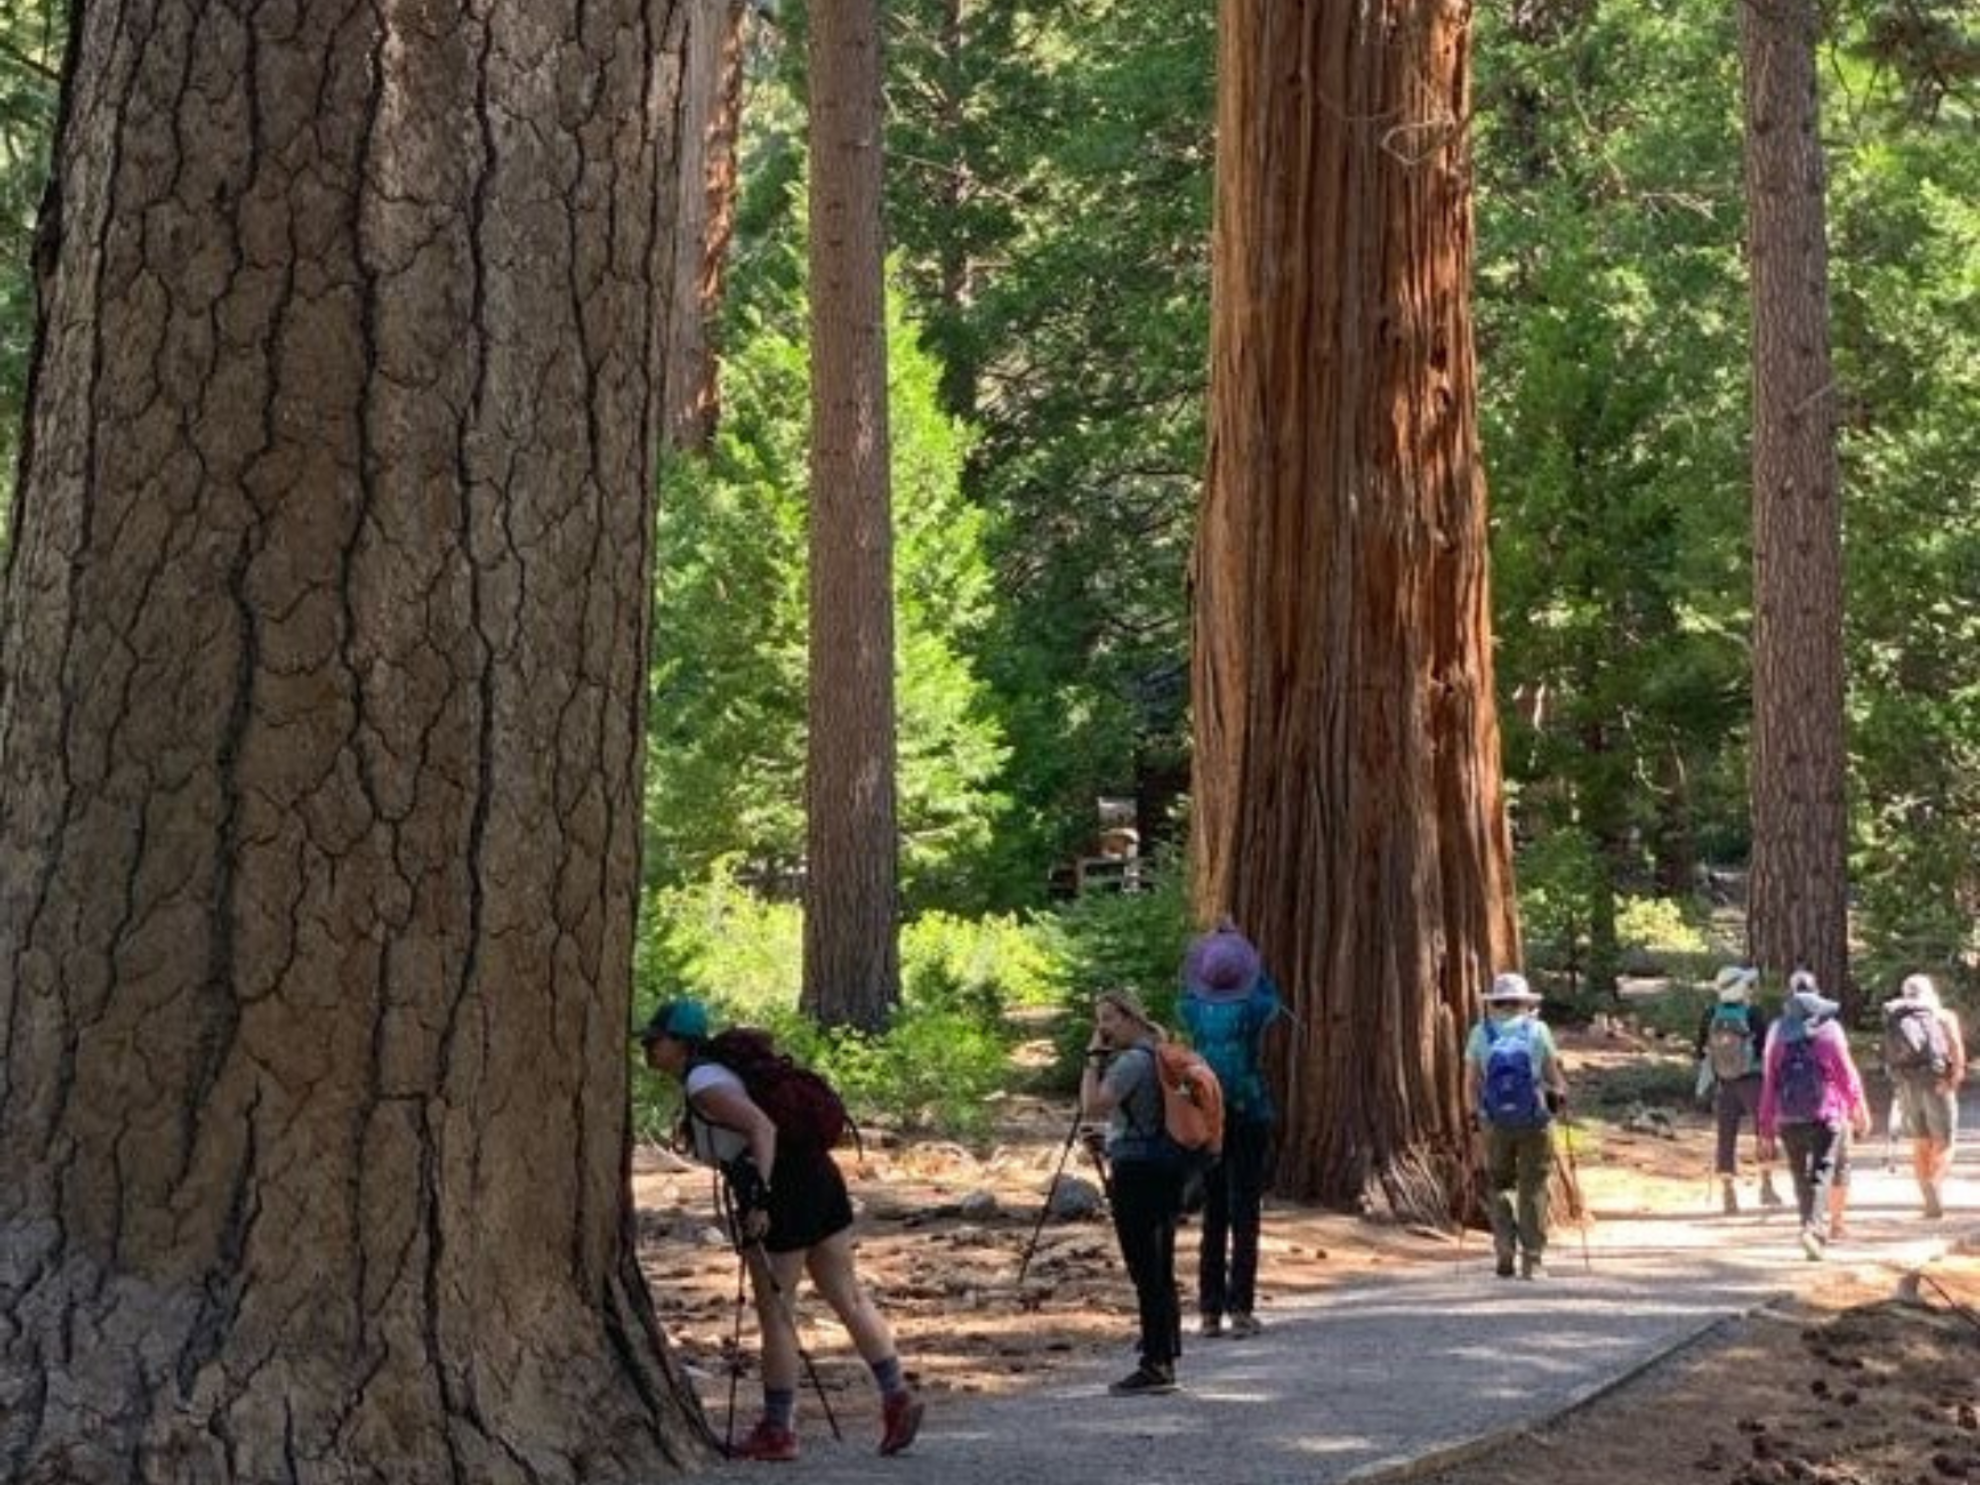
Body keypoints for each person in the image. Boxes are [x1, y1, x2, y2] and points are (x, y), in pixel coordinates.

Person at [637, 999, 923, 1461]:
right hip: (820, 1176)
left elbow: (761, 1128)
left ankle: (777, 1430)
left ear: (680, 1042)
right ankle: (896, 1397)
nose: (648, 1049)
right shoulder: (718, 1074)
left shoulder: (703, 1082)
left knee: (777, 1311)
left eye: (655, 1041)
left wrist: (761, 1199)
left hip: (784, 1188)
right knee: (848, 1296)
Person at [1179, 921, 1284, 1340]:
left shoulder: (1192, 1011)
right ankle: (1241, 1309)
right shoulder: (1254, 1008)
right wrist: (1246, 949)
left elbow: (1185, 994)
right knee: (1246, 1213)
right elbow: (1269, 996)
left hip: (1209, 1116)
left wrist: (1210, 946)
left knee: (1214, 1213)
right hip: (1251, 1111)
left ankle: (1208, 1313)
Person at [1082, 988, 1186, 1395]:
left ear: (1128, 1017)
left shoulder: (1132, 1063)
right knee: (1161, 1265)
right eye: (1100, 1020)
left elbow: (1093, 1105)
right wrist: (1110, 1140)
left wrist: (1092, 1061)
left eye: (1108, 1018)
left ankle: (1155, 1364)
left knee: (1145, 1269)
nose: (1103, 1028)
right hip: (1166, 1166)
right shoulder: (1160, 1051)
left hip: (1137, 1172)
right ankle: (1165, 1349)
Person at [1757, 973, 1870, 1261]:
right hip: (1826, 1114)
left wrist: (1766, 1127)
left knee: (1798, 1174)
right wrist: (1858, 1107)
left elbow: (1770, 1081)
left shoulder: (1777, 1032)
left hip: (1789, 1116)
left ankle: (1806, 1226)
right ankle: (1814, 1230)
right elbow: (1846, 1074)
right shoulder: (1830, 1030)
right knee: (1822, 1172)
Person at [1463, 972, 1569, 1280]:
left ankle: (1504, 1245)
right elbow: (1554, 1077)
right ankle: (1532, 1260)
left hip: (1494, 1120)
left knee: (1499, 1183)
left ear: (1495, 1002)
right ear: (1524, 1002)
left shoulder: (1479, 1033)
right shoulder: (1538, 1030)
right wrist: (1561, 1096)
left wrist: (1473, 1114)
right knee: (1533, 1185)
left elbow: (1470, 1081)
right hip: (1534, 1119)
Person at [1692, 965, 1784, 1214]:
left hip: (1724, 1082)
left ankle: (1728, 1193)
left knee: (1726, 1135)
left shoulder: (1710, 1013)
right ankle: (1766, 1185)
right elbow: (1767, 1047)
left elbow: (1700, 1050)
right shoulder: (1753, 1012)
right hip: (1754, 1081)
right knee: (1763, 1130)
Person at [1883, 973, 1967, 1219]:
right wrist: (1954, 1078)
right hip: (1936, 1082)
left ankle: (1925, 1198)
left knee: (1920, 1141)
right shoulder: (1942, 1016)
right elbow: (1956, 1048)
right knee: (1945, 1140)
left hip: (1907, 1084)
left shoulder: (1896, 1017)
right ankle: (1935, 1183)